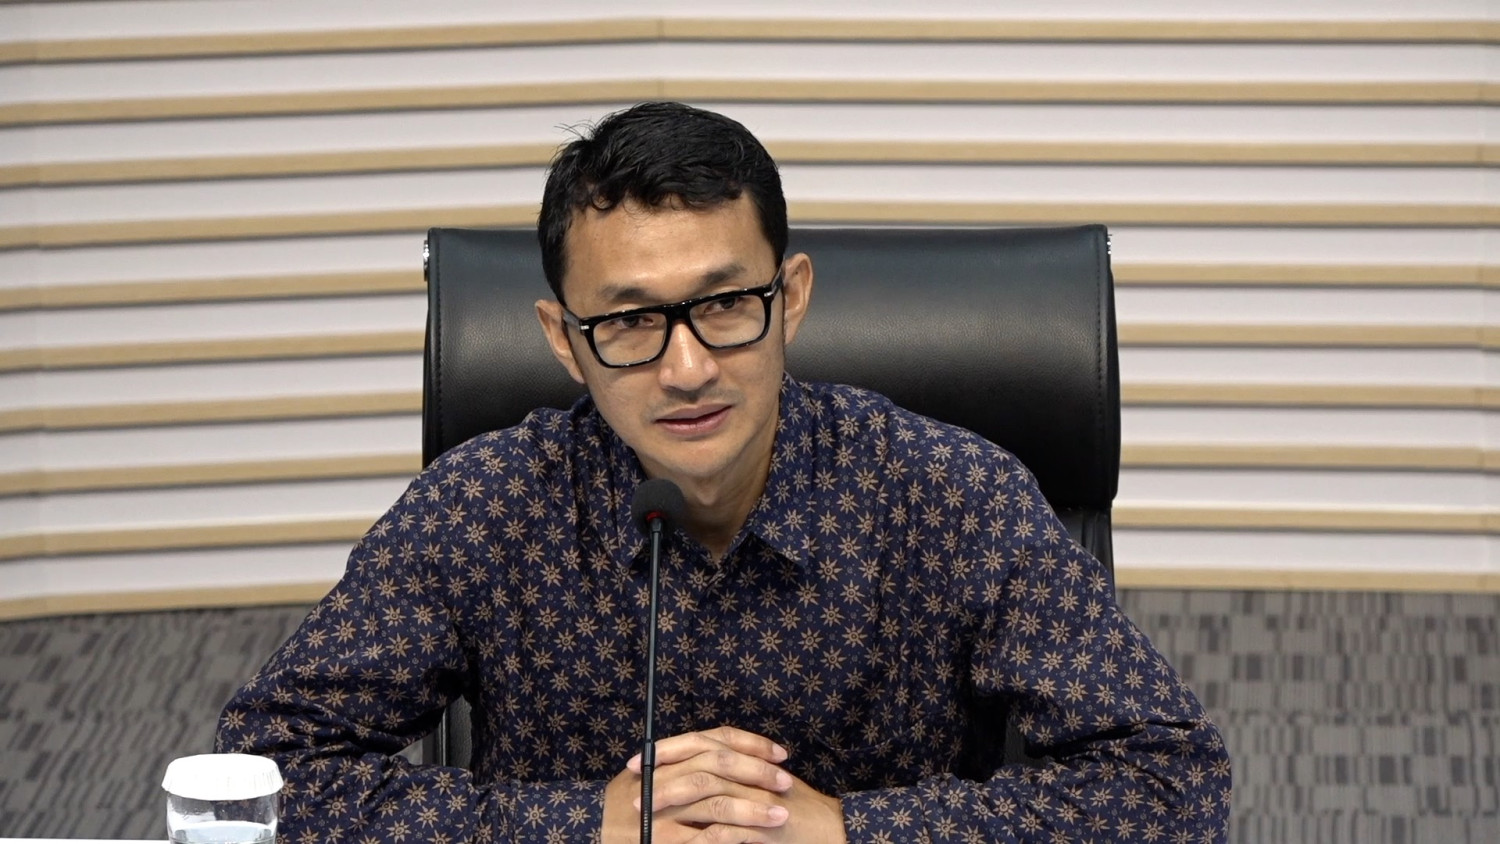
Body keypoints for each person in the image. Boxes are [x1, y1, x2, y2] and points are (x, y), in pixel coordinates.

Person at [217, 101, 1231, 843]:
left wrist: (852, 832)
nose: (688, 367)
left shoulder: (949, 496)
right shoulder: (486, 508)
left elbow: (1170, 779)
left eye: (725, 305)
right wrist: (580, 825)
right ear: (564, 341)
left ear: (791, 297)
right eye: (629, 321)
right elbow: (258, 775)